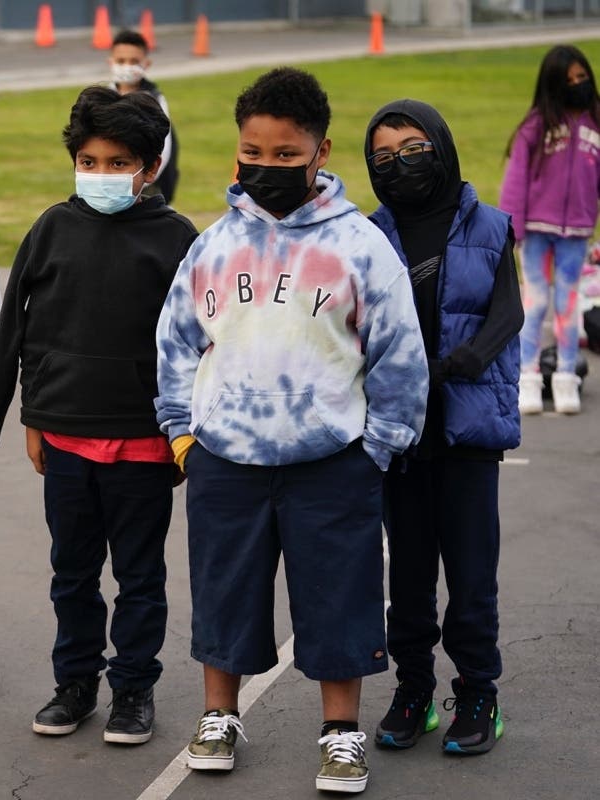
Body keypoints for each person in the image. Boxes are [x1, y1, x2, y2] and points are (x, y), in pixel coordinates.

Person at [155, 67, 427, 793]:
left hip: (332, 462)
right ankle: (219, 716)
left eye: (285, 155)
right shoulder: (211, 245)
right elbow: (175, 343)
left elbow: (398, 354)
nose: (266, 168)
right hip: (226, 459)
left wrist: (376, 448)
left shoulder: (358, 247)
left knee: (340, 599)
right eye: (253, 153)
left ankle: (340, 734)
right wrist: (184, 435)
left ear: (321, 151)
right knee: (223, 594)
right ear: (236, 150)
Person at [0, 87, 198, 744]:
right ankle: (74, 684)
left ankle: (131, 689)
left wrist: (183, 435)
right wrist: (24, 419)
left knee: (139, 577)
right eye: (89, 160)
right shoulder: (50, 228)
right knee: (71, 573)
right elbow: (17, 328)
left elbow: (197, 345)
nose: (101, 173)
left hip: (144, 443)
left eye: (118, 161)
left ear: (149, 167)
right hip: (63, 439)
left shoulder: (177, 239)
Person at [366, 99, 521, 756]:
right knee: (405, 579)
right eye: (382, 156)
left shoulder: (487, 226)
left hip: (465, 432)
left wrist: (465, 359)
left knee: (469, 573)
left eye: (412, 149)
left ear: (439, 146)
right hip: (400, 436)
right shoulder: (366, 235)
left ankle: (478, 692)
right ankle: (413, 691)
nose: (399, 165)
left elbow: (506, 313)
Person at [500, 44, 600, 415]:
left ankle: (566, 376)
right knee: (536, 302)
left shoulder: (596, 125)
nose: (577, 84)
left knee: (568, 304)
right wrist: (512, 232)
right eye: (569, 79)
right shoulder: (535, 127)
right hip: (537, 233)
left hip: (577, 232)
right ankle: (527, 377)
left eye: (582, 77)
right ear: (553, 85)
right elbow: (515, 182)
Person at [108, 29, 178, 203]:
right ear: (111, 62)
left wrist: (140, 181)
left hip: (146, 186)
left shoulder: (154, 101)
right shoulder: (103, 98)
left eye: (134, 61)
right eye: (121, 61)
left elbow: (165, 148)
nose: (127, 66)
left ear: (146, 64)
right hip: (110, 183)